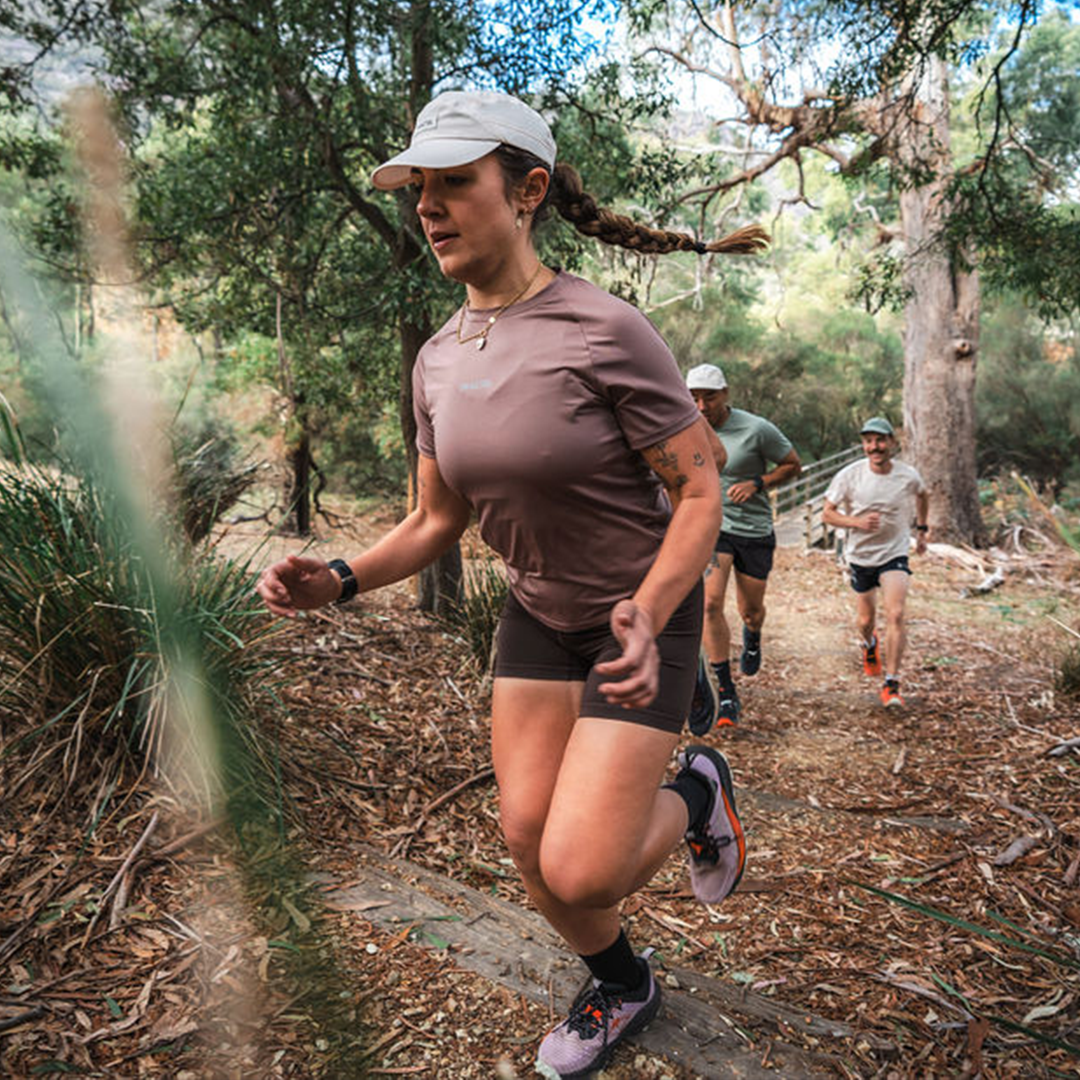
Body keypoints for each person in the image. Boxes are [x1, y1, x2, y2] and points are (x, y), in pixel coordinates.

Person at [256, 90, 766, 1079]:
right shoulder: (439, 360)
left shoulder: (604, 329)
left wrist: (655, 610)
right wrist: (341, 578)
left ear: (526, 190)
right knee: (530, 844)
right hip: (536, 619)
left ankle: (699, 790)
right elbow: (435, 522)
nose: (429, 207)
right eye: (419, 189)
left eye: (455, 183)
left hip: (639, 621)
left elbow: (700, 494)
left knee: (584, 864)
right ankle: (623, 984)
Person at [685, 363, 801, 731]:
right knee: (709, 603)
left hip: (753, 528)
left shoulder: (756, 428)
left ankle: (753, 635)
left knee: (750, 610)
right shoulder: (683, 427)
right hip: (713, 528)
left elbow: (792, 464)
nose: (702, 406)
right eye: (694, 398)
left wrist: (757, 482)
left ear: (726, 394)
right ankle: (726, 691)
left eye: (710, 397)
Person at [822, 416, 929, 707]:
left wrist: (921, 530)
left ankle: (891, 684)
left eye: (880, 440)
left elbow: (923, 495)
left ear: (892, 443)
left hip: (894, 553)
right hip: (860, 556)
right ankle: (869, 644)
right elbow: (827, 513)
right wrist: (855, 522)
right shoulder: (849, 475)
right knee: (865, 620)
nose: (875, 447)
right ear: (863, 445)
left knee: (895, 614)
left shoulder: (907, 475)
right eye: (869, 441)